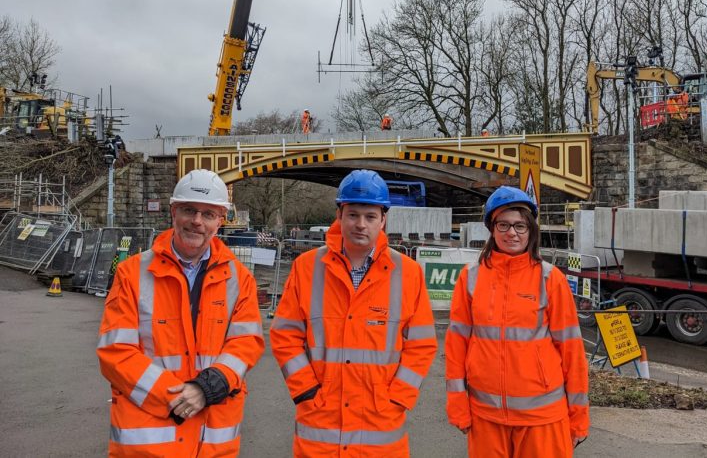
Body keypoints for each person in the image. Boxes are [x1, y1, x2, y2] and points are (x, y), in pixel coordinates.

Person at [97, 169, 265, 456]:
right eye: (189, 210)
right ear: (174, 212)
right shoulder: (132, 274)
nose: (197, 221)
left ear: (220, 221)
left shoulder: (239, 279)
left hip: (211, 442)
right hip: (148, 445)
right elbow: (116, 352)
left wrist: (208, 387)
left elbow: (246, 344)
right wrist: (177, 398)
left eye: (208, 214)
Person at [270, 169, 437, 457]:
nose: (361, 224)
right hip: (320, 425)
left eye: (370, 216)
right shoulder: (307, 268)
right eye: (353, 214)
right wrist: (306, 391)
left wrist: (398, 397)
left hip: (381, 427)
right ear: (339, 215)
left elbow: (421, 345)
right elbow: (285, 335)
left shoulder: (408, 273)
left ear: (383, 219)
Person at [445, 186, 589, 457]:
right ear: (492, 228)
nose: (512, 233)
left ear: (531, 230)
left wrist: (578, 415)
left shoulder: (550, 279)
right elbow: (456, 345)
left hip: (542, 418)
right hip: (486, 416)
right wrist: (457, 404)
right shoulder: (471, 277)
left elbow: (571, 351)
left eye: (520, 226)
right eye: (504, 224)